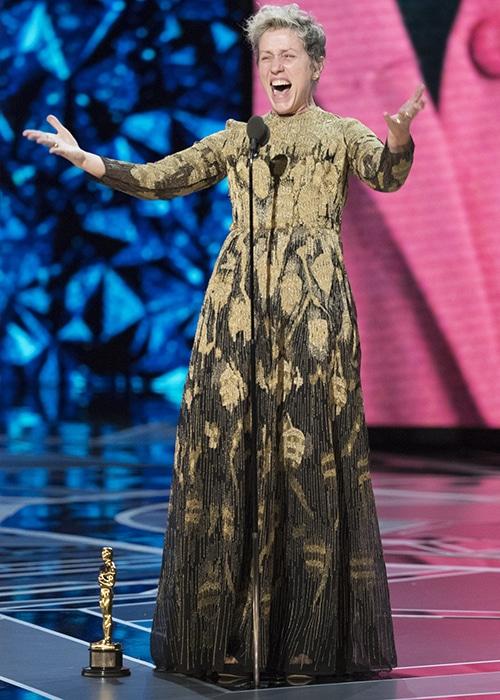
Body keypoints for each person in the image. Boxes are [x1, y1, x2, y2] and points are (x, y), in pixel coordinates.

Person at [23, 3, 424, 689]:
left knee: (307, 475)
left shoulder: (340, 134)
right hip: (237, 319)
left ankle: (306, 642)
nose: (274, 67)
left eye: (287, 56)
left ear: (316, 65)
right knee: (233, 470)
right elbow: (161, 178)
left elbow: (384, 174)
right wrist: (88, 159)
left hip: (311, 321)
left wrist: (398, 143)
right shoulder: (238, 138)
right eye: (265, 57)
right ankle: (235, 635)